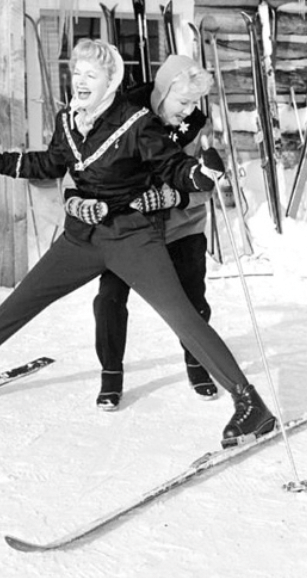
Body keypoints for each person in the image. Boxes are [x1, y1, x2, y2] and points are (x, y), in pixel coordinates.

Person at [0, 39, 276, 449]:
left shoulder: (137, 122)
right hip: (82, 238)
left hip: (132, 237)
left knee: (182, 315)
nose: (81, 81)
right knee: (24, 299)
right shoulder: (68, 118)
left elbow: (173, 167)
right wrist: (0, 160)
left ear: (111, 81)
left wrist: (200, 175)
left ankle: (250, 405)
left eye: (91, 74)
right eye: (77, 73)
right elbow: (50, 163)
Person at [90, 55, 218, 410]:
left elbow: (209, 184)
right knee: (109, 299)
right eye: (184, 102)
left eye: (196, 102)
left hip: (181, 224)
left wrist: (173, 195)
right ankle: (111, 376)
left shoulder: (197, 128)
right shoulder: (124, 118)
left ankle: (198, 363)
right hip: (129, 227)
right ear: (162, 93)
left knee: (192, 299)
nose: (191, 110)